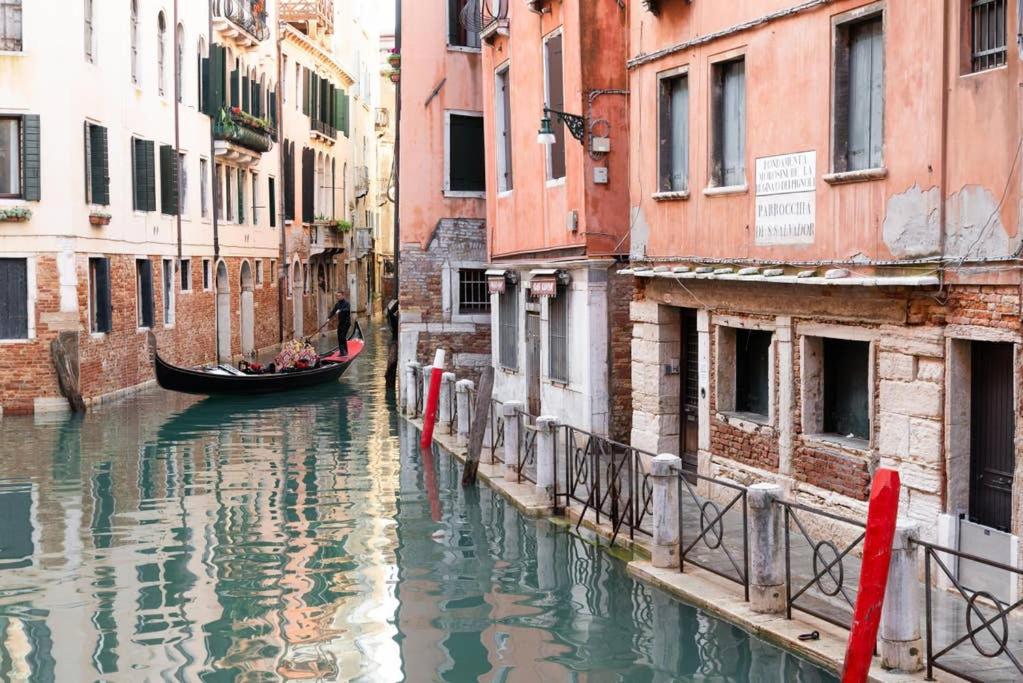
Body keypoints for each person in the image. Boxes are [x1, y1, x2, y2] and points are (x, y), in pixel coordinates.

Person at [328, 293, 352, 357]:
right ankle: (342, 352)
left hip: (346, 323)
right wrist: (329, 318)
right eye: (337, 296)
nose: (338, 297)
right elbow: (333, 311)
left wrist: (340, 310)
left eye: (339, 296)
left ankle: (344, 352)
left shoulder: (347, 303)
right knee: (339, 337)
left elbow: (347, 309)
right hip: (341, 323)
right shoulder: (337, 304)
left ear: (343, 296)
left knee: (342, 336)